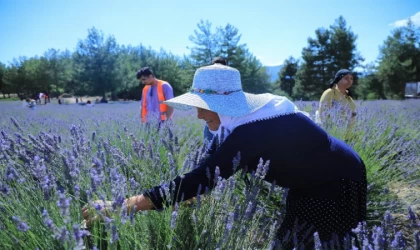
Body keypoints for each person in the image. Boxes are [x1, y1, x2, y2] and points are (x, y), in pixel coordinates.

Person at [83, 64, 367, 249]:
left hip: (337, 181)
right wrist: (181, 198)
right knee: (289, 241)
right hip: (308, 183)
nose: (198, 114)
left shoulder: (253, 129)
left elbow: (200, 180)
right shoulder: (238, 122)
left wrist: (121, 206)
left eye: (204, 106)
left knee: (323, 244)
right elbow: (203, 172)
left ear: (224, 105)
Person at [317, 69, 356, 140]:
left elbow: (353, 115)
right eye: (346, 78)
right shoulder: (330, 92)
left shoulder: (349, 96)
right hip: (334, 135)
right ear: (338, 79)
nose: (349, 80)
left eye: (351, 78)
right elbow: (323, 114)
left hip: (349, 135)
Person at [203, 56, 228, 143]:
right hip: (211, 122)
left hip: (225, 123)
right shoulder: (207, 84)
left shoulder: (230, 83)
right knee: (208, 149)